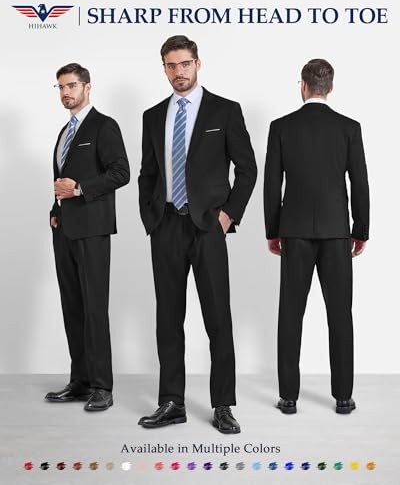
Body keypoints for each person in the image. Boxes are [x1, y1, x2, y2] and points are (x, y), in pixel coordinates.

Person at [138, 35, 257, 433]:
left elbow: (247, 169)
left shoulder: (225, 110)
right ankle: (172, 401)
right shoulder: (153, 116)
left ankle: (222, 405)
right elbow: (147, 173)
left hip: (209, 227)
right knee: (168, 319)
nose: (179, 72)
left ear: (198, 64)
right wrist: (151, 218)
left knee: (218, 318)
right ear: (164, 69)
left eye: (185, 63)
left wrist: (228, 216)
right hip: (166, 225)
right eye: (171, 65)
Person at [264, 59, 369, 415]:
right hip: (337, 232)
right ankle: (343, 396)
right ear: (331, 87)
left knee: (290, 314)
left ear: (303, 85)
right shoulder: (348, 128)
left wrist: (273, 230)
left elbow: (272, 184)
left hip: (294, 231)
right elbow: (360, 181)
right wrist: (360, 229)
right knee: (340, 314)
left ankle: (288, 397)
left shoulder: (281, 127)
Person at [45, 63, 130, 411]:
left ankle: (102, 386)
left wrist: (79, 189)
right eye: (61, 87)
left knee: (95, 308)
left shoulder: (104, 126)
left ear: (87, 87)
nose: (66, 92)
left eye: (72, 85)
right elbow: (61, 179)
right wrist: (55, 210)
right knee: (72, 307)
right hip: (64, 230)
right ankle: (79, 381)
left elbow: (121, 172)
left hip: (93, 231)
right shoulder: (64, 131)